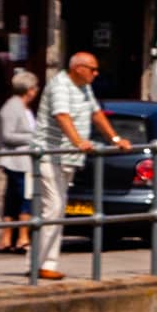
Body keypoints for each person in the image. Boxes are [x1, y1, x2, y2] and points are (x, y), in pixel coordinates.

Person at [27, 50, 127, 280]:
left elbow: (96, 114)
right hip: (49, 154)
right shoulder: (60, 85)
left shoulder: (84, 87)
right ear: (77, 68)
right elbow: (62, 116)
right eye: (92, 69)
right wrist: (78, 141)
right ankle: (44, 264)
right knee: (53, 208)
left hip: (68, 157)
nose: (96, 73)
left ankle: (38, 261)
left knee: (56, 208)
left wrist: (115, 138)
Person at [0, 68, 37, 257]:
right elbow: (8, 135)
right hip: (17, 161)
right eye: (35, 87)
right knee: (24, 198)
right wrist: (34, 137)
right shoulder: (12, 107)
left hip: (22, 160)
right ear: (28, 89)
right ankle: (22, 237)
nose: (36, 91)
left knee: (13, 198)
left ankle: (7, 238)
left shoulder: (24, 108)